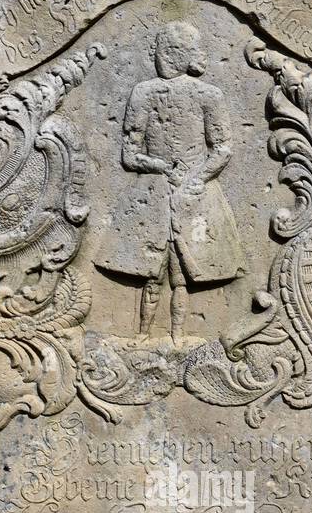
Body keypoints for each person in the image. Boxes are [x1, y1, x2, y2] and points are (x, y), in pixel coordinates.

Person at [95, 21, 244, 345]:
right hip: (152, 195)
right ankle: (143, 335)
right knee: (152, 272)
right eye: (161, 49)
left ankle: (178, 337)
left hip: (193, 194)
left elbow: (222, 149)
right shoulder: (144, 92)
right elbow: (130, 153)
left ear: (186, 55)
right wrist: (161, 166)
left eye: (171, 50)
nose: (163, 57)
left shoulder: (209, 95)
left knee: (182, 276)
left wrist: (196, 178)